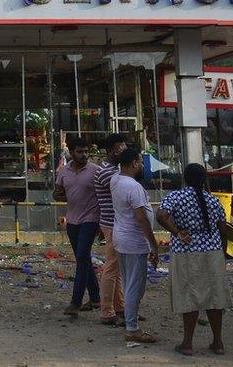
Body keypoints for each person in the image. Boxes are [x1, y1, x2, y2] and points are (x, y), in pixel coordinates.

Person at [156, 163, 231, 356]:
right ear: (204, 179)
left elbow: (161, 215)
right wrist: (222, 254)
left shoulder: (176, 197)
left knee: (189, 296)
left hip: (185, 251)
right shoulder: (213, 200)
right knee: (215, 297)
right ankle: (218, 342)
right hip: (212, 252)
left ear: (185, 178)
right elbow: (223, 229)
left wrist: (178, 232)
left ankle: (187, 344)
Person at [110, 147, 159, 343]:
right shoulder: (133, 187)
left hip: (122, 238)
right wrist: (153, 244)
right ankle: (132, 328)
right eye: (140, 161)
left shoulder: (116, 180)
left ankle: (130, 320)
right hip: (134, 241)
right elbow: (141, 218)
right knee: (134, 286)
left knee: (130, 282)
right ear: (133, 164)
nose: (141, 165)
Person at [53, 136, 101, 317]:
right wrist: (58, 194)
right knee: (84, 259)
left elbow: (104, 196)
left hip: (91, 219)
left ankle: (75, 302)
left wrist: (103, 222)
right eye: (80, 152)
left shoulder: (96, 171)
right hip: (72, 220)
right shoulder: (63, 171)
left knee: (81, 257)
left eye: (86, 151)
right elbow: (58, 193)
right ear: (72, 153)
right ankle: (96, 297)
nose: (84, 155)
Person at [94, 133, 127, 325]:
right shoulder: (109, 173)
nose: (123, 150)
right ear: (111, 150)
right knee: (112, 267)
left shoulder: (112, 170)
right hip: (113, 223)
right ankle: (107, 311)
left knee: (116, 268)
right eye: (120, 148)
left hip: (112, 222)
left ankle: (120, 307)